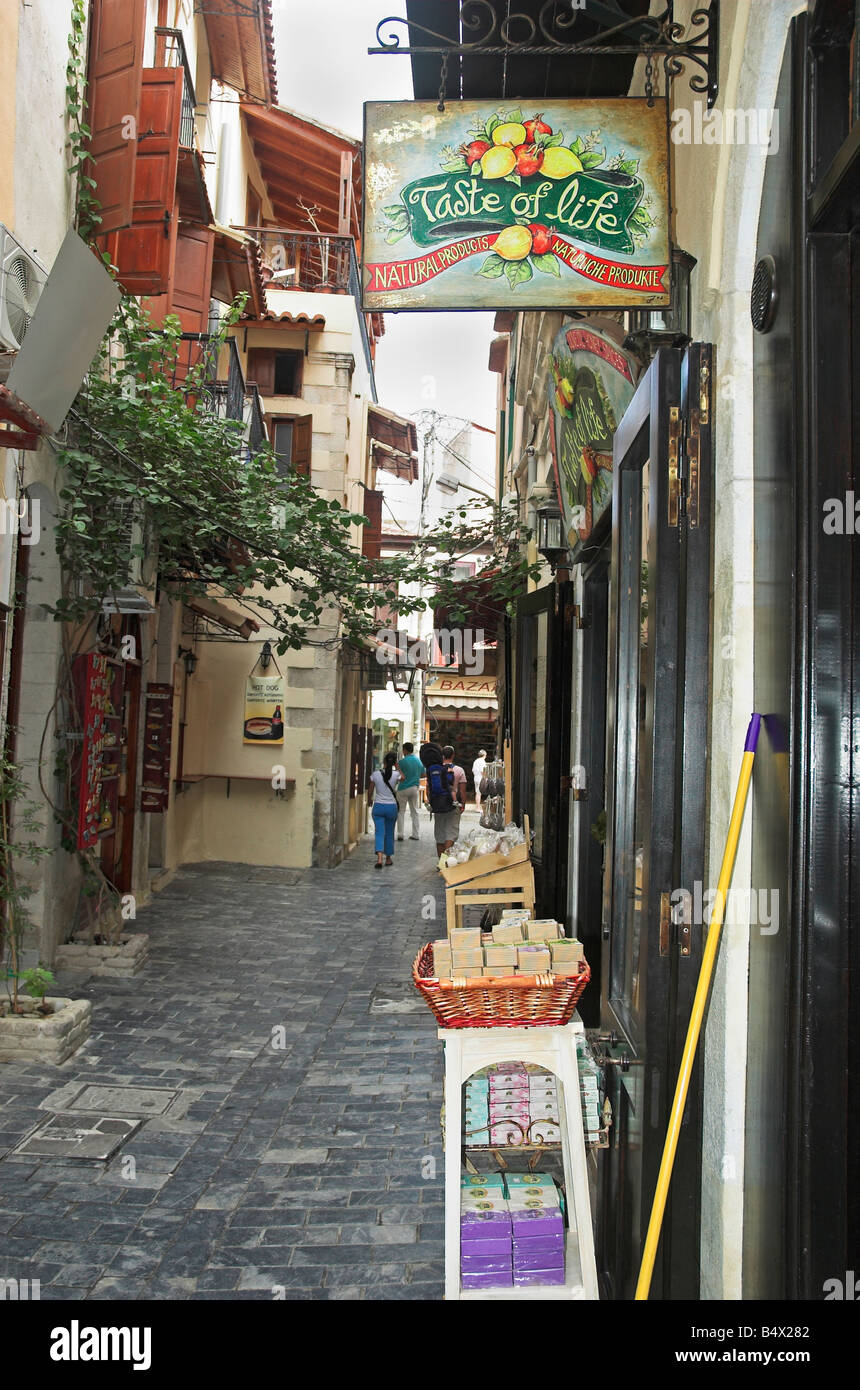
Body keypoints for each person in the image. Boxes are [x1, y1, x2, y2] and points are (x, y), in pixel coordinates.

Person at [431, 745, 467, 858]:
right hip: (453, 804)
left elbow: (429, 788)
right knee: (451, 834)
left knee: (439, 834)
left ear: (442, 756)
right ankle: (445, 862)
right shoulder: (459, 770)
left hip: (438, 805)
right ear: (453, 755)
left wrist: (432, 803)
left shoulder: (435, 770)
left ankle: (440, 861)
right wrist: (463, 805)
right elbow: (462, 791)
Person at [368, 751, 401, 868]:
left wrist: (369, 800)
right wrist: (397, 767)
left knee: (379, 832)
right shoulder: (396, 774)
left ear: (384, 761)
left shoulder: (375, 774)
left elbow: (371, 789)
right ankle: (388, 859)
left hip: (378, 807)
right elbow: (404, 778)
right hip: (391, 807)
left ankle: (379, 858)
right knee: (389, 832)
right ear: (394, 762)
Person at [396, 741, 423, 841]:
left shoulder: (402, 762)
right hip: (414, 788)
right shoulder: (418, 761)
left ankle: (400, 834)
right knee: (414, 811)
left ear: (405, 750)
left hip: (403, 788)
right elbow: (423, 774)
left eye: (403, 750)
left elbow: (398, 774)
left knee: (401, 811)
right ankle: (415, 834)